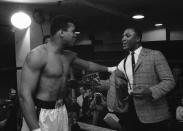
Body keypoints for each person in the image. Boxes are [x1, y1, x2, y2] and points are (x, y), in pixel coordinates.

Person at [18, 15, 116, 131]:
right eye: (73, 31)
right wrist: (35, 129)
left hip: (61, 110)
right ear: (61, 33)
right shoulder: (37, 55)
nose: (76, 35)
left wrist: (111, 69)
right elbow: (24, 95)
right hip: (41, 113)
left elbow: (88, 65)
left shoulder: (68, 56)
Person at [115, 27, 175, 131]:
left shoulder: (155, 55)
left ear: (137, 38)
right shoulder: (123, 62)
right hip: (130, 114)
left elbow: (169, 81)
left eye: (127, 36)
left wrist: (150, 91)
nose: (123, 39)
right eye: (122, 36)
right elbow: (120, 83)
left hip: (154, 116)